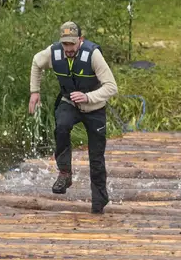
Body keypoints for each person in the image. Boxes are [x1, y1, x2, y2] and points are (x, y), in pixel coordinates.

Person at [28, 22, 119, 213]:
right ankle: (65, 173)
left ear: (80, 40)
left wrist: (88, 97)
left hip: (95, 106)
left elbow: (112, 87)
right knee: (61, 126)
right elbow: (36, 63)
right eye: (65, 44)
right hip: (69, 102)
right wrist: (35, 91)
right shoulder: (54, 53)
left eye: (72, 44)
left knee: (96, 157)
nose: (68, 49)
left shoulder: (93, 55)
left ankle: (99, 202)